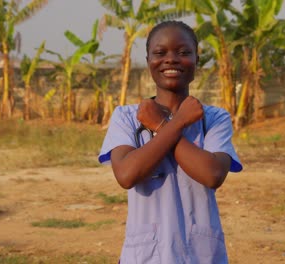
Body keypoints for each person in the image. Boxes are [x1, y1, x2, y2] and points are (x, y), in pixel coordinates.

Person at [98, 20, 243, 264]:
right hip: (145, 256)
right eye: (160, 52)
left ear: (197, 60)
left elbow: (213, 174)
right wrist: (176, 124)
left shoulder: (214, 118)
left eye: (184, 52)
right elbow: (126, 175)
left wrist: (161, 126)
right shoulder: (126, 117)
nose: (171, 59)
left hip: (200, 255)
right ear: (148, 62)